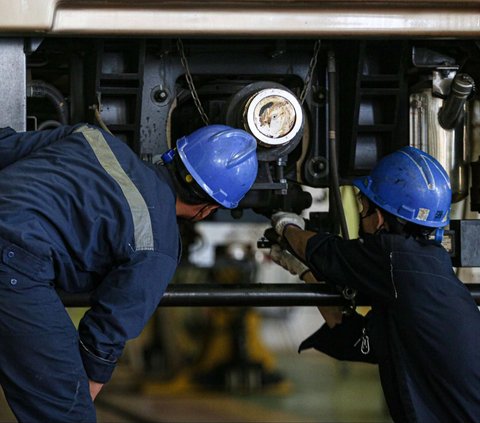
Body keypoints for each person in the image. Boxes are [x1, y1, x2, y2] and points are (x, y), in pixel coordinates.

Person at [0, 123, 258, 422]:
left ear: (174, 155)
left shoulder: (91, 136)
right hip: (14, 262)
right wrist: (77, 400)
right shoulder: (158, 246)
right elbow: (105, 333)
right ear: (208, 209)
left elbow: (6, 146)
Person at [268, 146, 480, 422]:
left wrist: (287, 227)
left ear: (379, 217)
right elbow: (352, 333)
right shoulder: (423, 271)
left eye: (364, 208)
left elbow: (325, 251)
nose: (362, 217)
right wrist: (307, 273)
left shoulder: (394, 259)